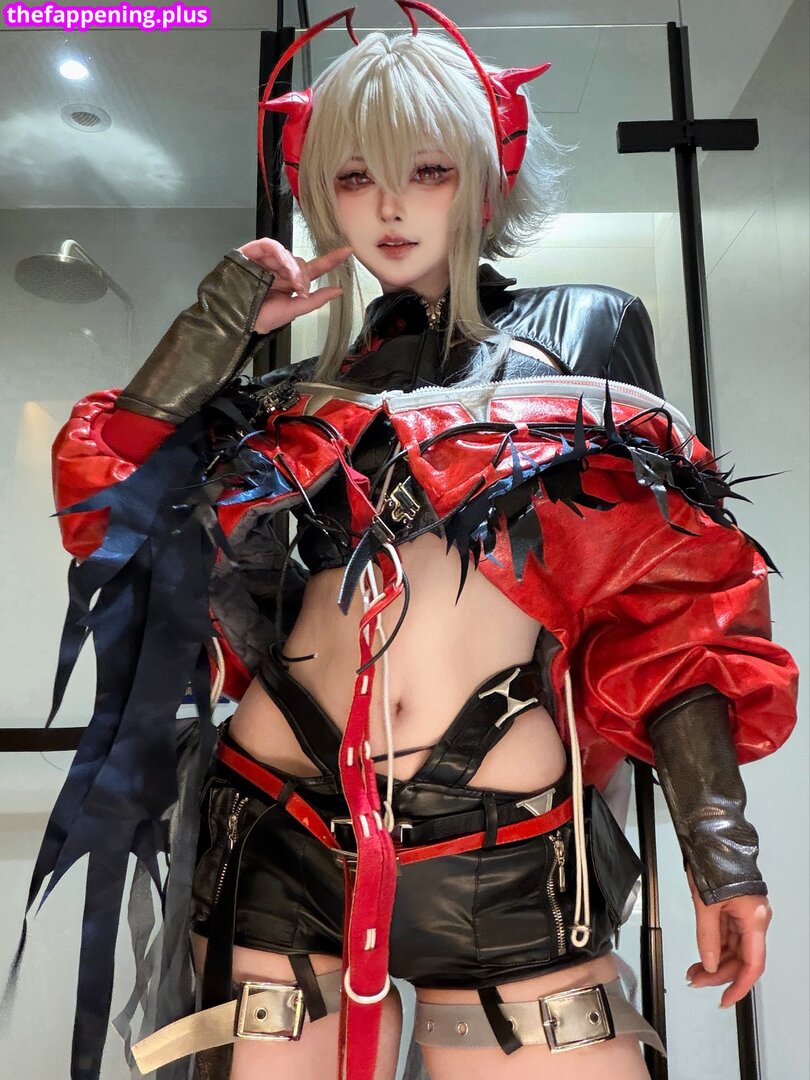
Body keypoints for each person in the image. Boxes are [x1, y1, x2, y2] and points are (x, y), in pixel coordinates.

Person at [20, 5, 798, 1080]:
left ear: (485, 177)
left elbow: (667, 608)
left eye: (425, 170)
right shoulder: (295, 392)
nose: (388, 206)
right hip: (277, 815)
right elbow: (107, 516)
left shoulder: (587, 329)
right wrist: (213, 329)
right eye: (354, 178)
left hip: (504, 840)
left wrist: (722, 851)